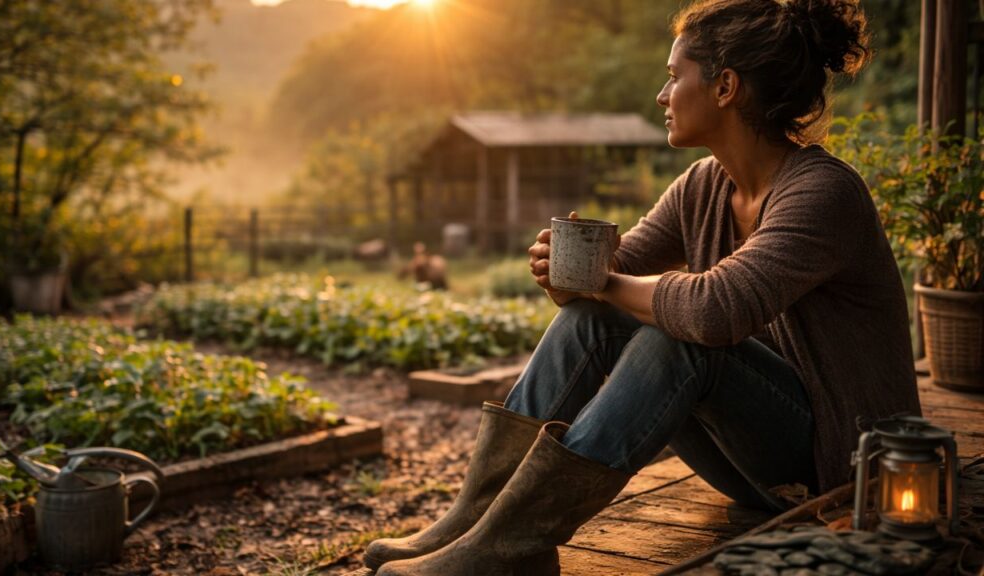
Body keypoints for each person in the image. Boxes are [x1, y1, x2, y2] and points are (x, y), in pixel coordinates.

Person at [361, 1, 920, 574]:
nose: (662, 94)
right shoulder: (704, 185)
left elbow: (713, 311)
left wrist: (601, 281)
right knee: (596, 319)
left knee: (679, 339)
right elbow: (612, 281)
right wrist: (565, 275)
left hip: (840, 470)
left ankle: (505, 545)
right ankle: (478, 525)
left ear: (726, 86)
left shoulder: (823, 194)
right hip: (749, 461)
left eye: (675, 76)